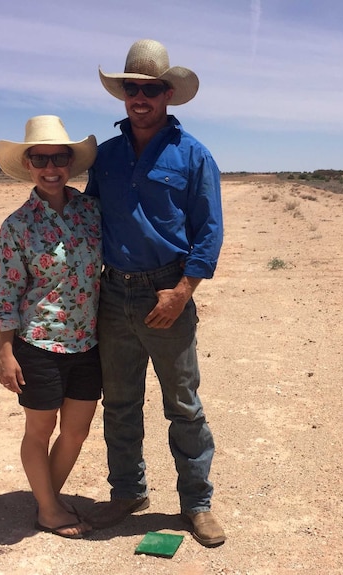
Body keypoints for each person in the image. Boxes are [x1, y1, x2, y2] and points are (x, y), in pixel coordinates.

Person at [85, 39, 225, 547]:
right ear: (123, 94)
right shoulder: (106, 156)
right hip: (113, 294)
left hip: (165, 293)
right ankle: (128, 492)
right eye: (131, 89)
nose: (140, 98)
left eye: (150, 89)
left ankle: (197, 504)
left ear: (167, 93)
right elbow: (88, 221)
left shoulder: (193, 155)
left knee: (183, 405)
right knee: (120, 403)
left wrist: (183, 292)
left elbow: (209, 231)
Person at [0, 115, 102, 539]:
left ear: (70, 163)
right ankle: (50, 510)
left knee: (77, 431)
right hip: (37, 343)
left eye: (59, 157)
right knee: (40, 430)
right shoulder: (17, 226)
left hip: (88, 341)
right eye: (41, 158)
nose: (51, 166)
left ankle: (46, 501)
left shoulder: (91, 212)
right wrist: (5, 353)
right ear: (29, 164)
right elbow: (7, 294)